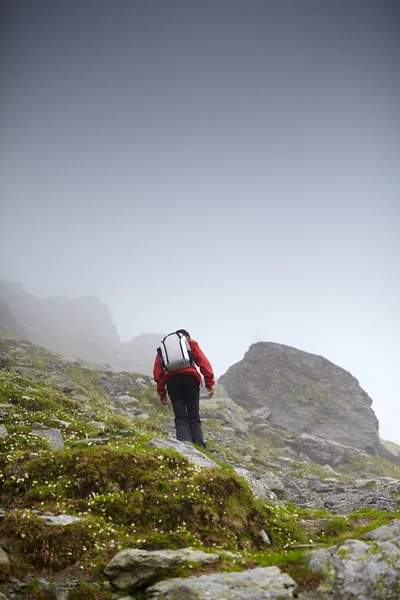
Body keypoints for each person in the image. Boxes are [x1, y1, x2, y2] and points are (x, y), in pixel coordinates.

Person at [153, 329, 215, 448]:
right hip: (190, 380)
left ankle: (184, 445)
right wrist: (209, 382)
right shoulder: (191, 343)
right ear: (185, 337)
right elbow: (203, 363)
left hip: (172, 382)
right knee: (193, 415)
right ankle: (199, 446)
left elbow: (158, 373)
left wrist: (162, 393)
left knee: (180, 416)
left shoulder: (163, 349)